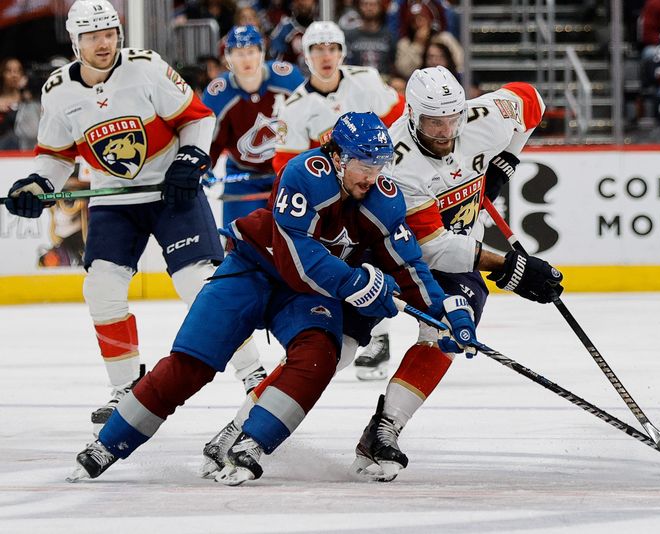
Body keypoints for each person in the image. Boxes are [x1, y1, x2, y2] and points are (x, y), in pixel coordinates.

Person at [66, 111, 479, 486]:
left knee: (319, 357)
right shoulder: (303, 173)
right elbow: (298, 258)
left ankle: (251, 444)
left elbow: (407, 265)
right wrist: (355, 281)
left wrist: (444, 311)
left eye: (378, 166)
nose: (372, 176)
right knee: (190, 364)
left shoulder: (381, 198)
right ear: (337, 157)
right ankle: (107, 445)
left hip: (303, 296)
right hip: (253, 271)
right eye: (364, 165)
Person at [2, 0, 266, 433]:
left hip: (170, 191)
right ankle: (125, 388)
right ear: (75, 42)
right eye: (92, 36)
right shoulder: (57, 90)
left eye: (109, 33)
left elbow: (197, 118)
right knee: (101, 287)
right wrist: (36, 185)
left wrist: (191, 159)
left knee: (198, 283)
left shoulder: (145, 68)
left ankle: (254, 374)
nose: (103, 43)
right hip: (113, 198)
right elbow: (55, 157)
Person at [348, 66, 564, 482]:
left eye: (453, 117)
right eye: (433, 121)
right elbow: (433, 248)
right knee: (335, 347)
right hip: (383, 254)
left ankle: (384, 430)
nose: (446, 130)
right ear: (412, 114)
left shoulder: (483, 117)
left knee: (450, 327)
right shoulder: (398, 162)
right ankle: (254, 427)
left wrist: (506, 161)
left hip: (447, 252)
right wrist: (512, 267)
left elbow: (529, 100)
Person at [273, 20, 406, 380]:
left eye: (332, 48)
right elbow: (288, 166)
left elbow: (401, 118)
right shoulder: (294, 107)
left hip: (374, 186)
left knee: (379, 254)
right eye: (317, 49)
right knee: (339, 265)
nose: (325, 55)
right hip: (330, 200)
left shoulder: (365, 80)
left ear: (343, 52)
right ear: (306, 56)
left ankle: (379, 336)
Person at [202, 25, 304, 225]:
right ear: (228, 58)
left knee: (295, 238)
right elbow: (208, 139)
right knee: (238, 243)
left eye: (251, 52)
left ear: (261, 53)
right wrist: (202, 166)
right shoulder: (218, 93)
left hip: (288, 173)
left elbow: (310, 119)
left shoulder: (287, 78)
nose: (246, 59)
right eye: (239, 53)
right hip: (243, 176)